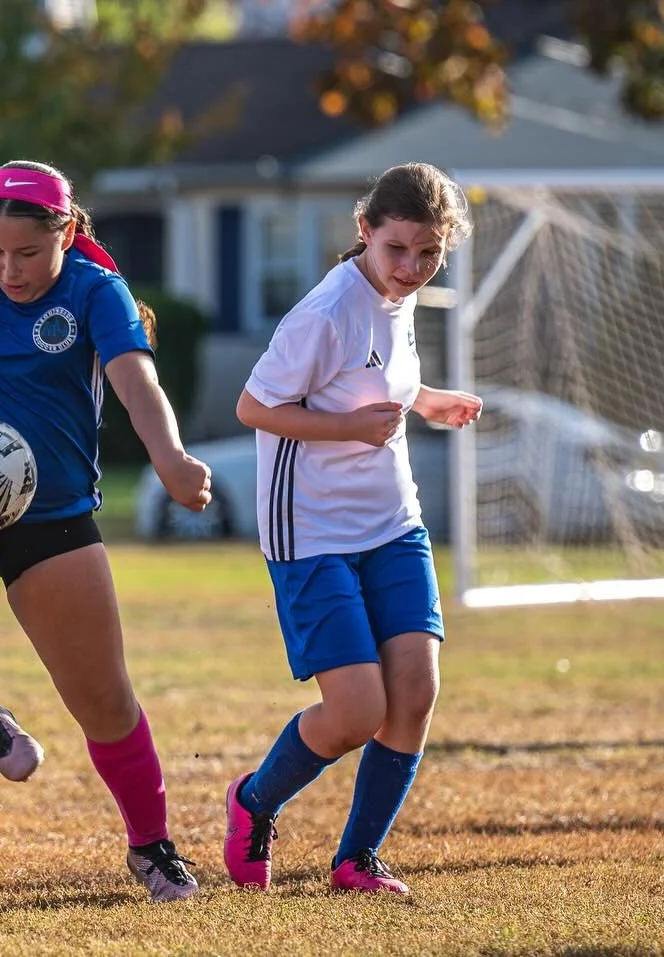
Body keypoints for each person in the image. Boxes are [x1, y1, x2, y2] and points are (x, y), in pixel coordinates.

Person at [0, 159, 214, 903]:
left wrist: (172, 459)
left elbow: (134, 382)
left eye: (27, 254)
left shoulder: (96, 291)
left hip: (52, 518)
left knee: (106, 703)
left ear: (65, 234)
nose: (9, 269)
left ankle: (152, 847)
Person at [223, 162, 482, 896]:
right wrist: (345, 429)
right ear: (364, 231)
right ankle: (254, 801)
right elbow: (253, 407)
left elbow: (376, 383)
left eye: (428, 253)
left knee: (416, 689)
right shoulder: (324, 310)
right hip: (311, 532)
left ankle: (356, 859)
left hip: (393, 523)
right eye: (397, 248)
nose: (412, 267)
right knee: (357, 710)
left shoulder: (400, 302)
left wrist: (427, 401)